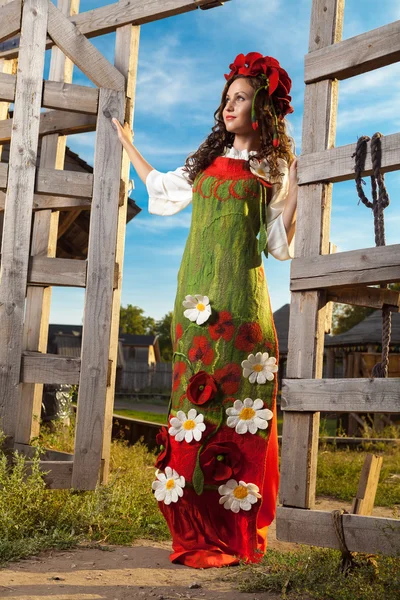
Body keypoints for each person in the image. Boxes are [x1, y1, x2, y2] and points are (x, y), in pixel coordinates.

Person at [113, 51, 298, 569]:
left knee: (242, 411)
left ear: (261, 107)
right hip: (196, 302)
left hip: (245, 306)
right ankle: (194, 524)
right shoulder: (204, 166)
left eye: (240, 98)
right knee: (194, 412)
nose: (228, 106)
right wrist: (129, 143)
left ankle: (235, 525)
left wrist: (295, 182)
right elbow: (161, 192)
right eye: (226, 98)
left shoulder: (274, 169)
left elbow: (279, 245)